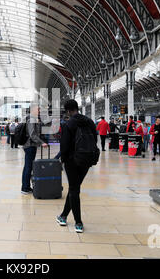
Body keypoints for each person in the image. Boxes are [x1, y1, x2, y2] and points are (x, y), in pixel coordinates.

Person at [56, 99, 97, 233]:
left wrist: (62, 159)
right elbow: (95, 140)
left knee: (74, 189)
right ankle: (63, 216)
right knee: (75, 188)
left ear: (68, 111)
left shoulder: (69, 124)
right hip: (86, 159)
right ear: (77, 108)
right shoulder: (89, 121)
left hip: (72, 161)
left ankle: (78, 222)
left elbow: (65, 145)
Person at [21, 104, 48, 194]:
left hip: (31, 145)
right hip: (30, 146)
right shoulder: (31, 118)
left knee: (28, 166)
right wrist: (42, 142)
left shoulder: (34, 118)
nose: (39, 111)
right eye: (38, 109)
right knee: (28, 167)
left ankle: (26, 187)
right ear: (33, 110)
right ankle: (25, 188)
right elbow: (32, 134)